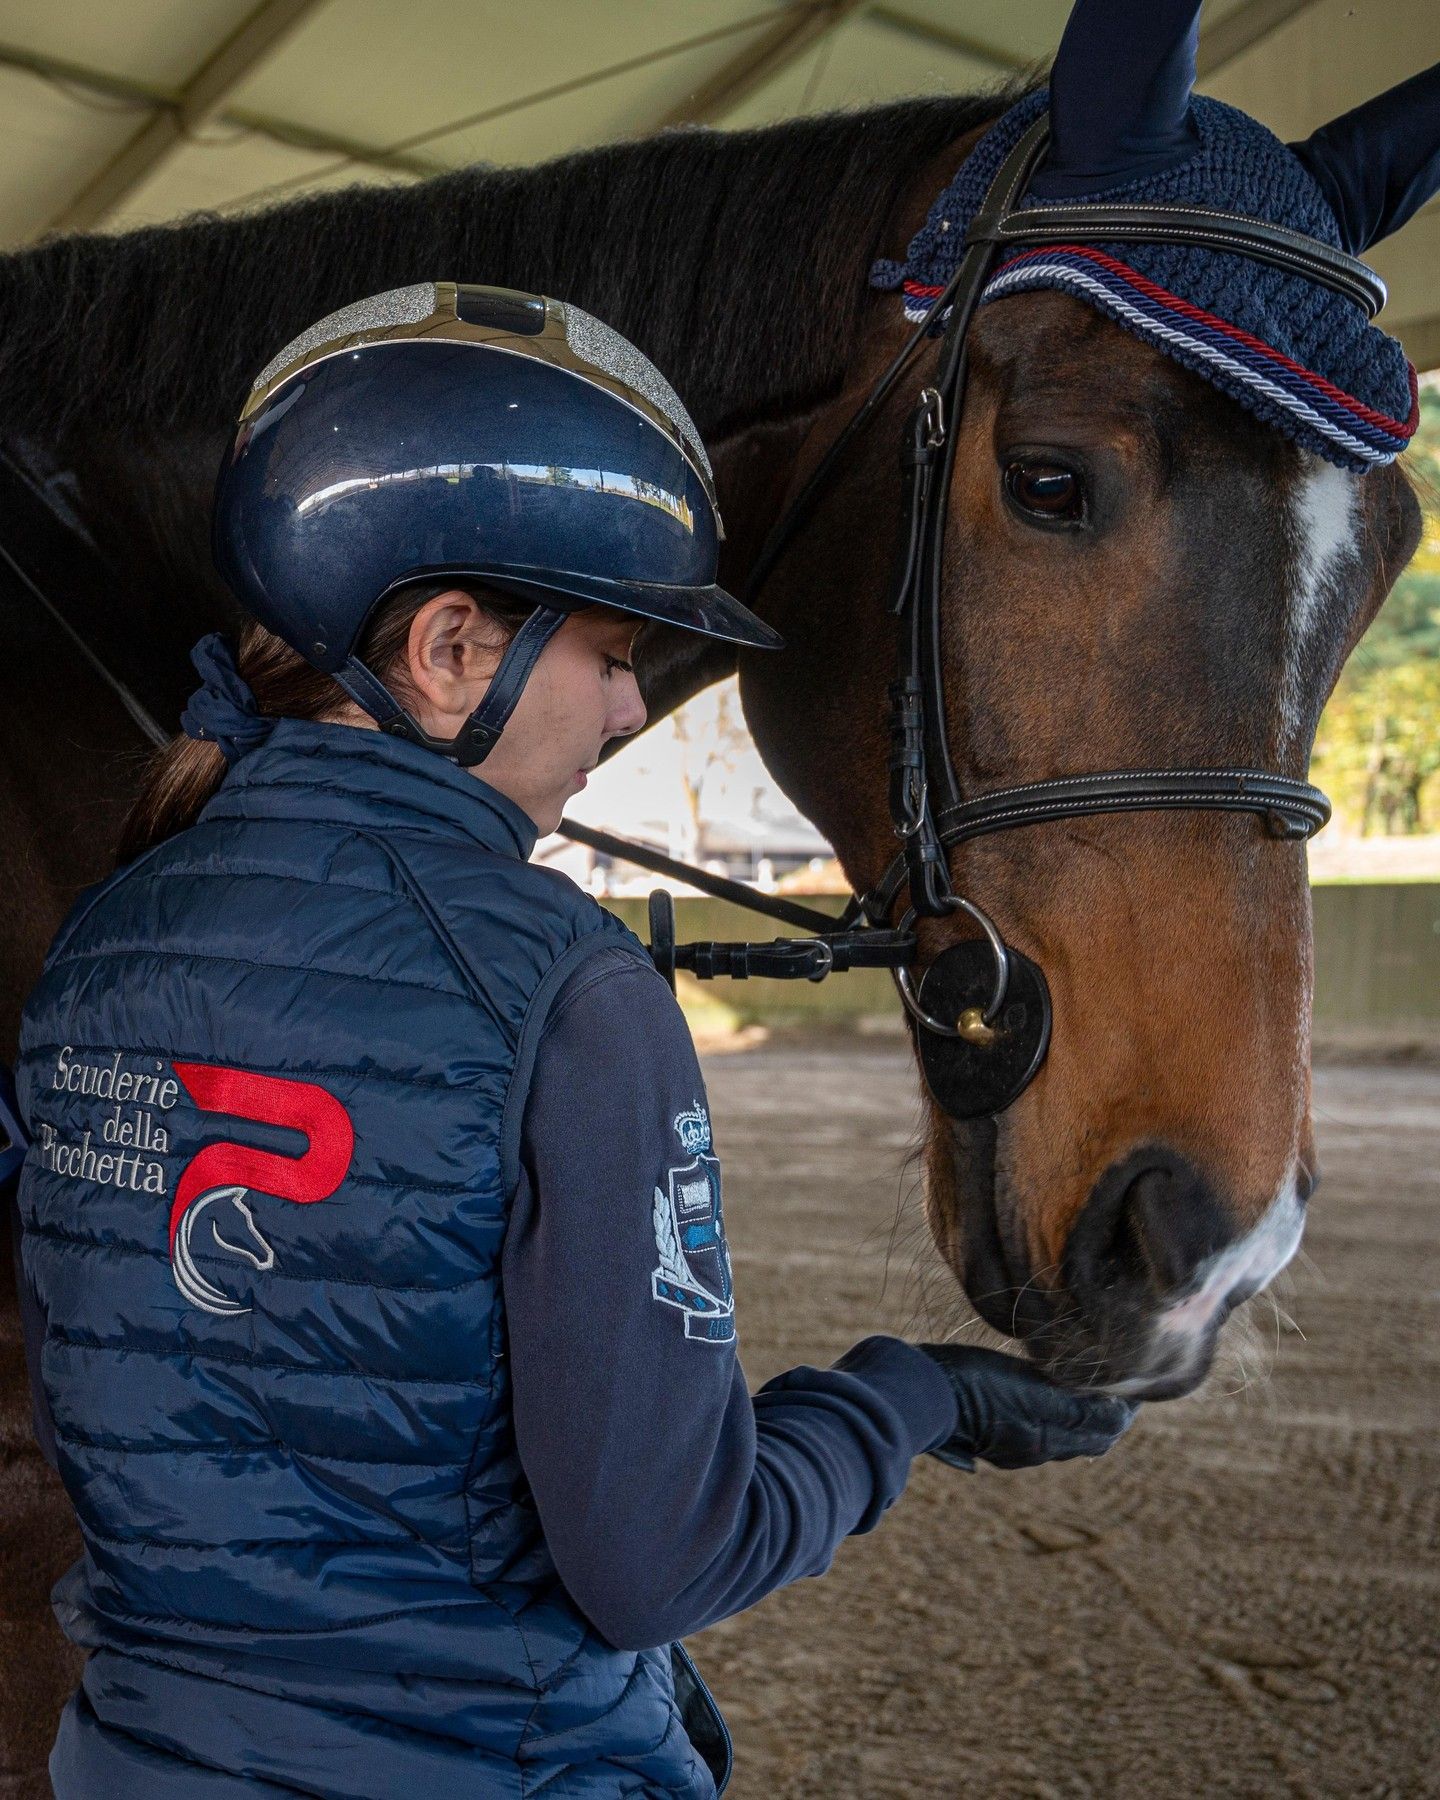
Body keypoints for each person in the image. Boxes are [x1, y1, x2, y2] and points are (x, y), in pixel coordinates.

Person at [11, 281, 1133, 1798]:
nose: (621, 713)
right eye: (611, 656)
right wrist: (907, 1399)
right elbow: (666, 1560)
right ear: (450, 650)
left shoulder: (103, 939)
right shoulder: (570, 992)